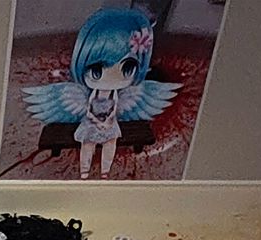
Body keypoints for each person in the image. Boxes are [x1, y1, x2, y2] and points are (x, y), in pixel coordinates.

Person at [21, 6, 182, 179]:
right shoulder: (87, 93)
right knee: (87, 145)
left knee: (110, 144)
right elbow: (89, 109)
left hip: (110, 124)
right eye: (97, 70)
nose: (111, 78)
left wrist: (107, 122)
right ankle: (84, 172)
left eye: (128, 68)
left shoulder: (121, 94)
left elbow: (114, 110)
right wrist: (97, 121)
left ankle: (105, 173)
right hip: (91, 123)